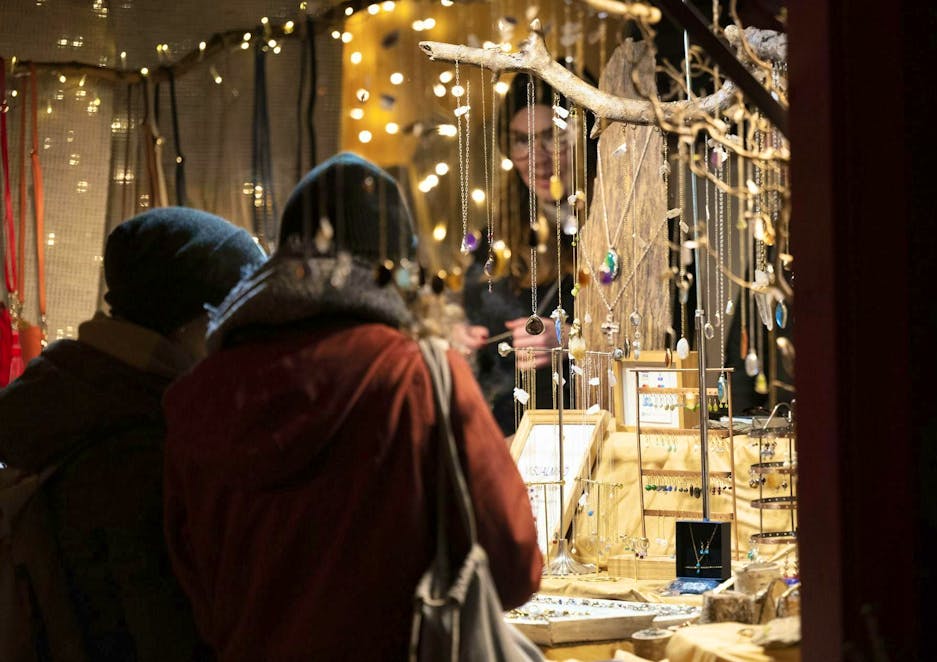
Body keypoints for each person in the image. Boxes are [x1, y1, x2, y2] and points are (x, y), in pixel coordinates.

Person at [161, 152, 543, 661]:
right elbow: (514, 567)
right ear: (400, 269)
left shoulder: (195, 394)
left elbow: (189, 581)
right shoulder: (420, 377)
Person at [0, 207, 266, 661]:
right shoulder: (142, 444)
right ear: (197, 325)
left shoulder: (68, 386)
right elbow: (164, 635)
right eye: (240, 325)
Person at [458, 70, 596, 435]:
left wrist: (567, 340)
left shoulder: (619, 226)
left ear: (584, 138)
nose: (536, 156)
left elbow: (654, 340)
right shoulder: (493, 240)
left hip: (591, 432)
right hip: (508, 438)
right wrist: (458, 339)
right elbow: (473, 327)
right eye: (521, 141)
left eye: (552, 136)